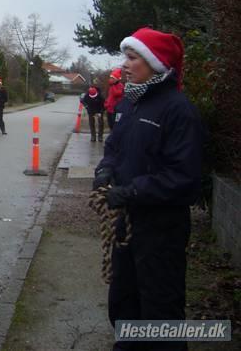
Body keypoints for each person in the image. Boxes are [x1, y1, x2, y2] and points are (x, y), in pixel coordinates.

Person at [92, 28, 202, 350]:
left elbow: (184, 178)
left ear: (155, 63)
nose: (124, 65)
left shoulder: (179, 111)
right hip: (127, 225)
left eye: (132, 57)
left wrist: (131, 192)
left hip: (161, 231)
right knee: (123, 305)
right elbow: (114, 147)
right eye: (125, 57)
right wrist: (105, 171)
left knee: (159, 315)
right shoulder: (129, 104)